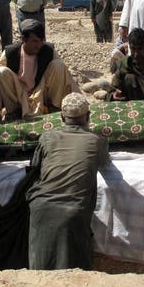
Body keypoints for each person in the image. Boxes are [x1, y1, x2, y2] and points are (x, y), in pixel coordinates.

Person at [26, 93, 110, 270]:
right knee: (75, 274)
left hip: (41, 208)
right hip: (74, 212)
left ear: (62, 117)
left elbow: (35, 167)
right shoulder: (97, 140)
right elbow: (105, 163)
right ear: (88, 116)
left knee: (40, 270)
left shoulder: (47, 137)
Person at [0, 19, 78, 122]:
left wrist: (78, 103)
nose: (39, 45)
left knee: (59, 65)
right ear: (24, 39)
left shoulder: (48, 51)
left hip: (41, 92)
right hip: (19, 94)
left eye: (41, 41)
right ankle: (14, 112)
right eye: (35, 41)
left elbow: (65, 77)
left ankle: (54, 107)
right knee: (0, 71)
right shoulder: (10, 53)